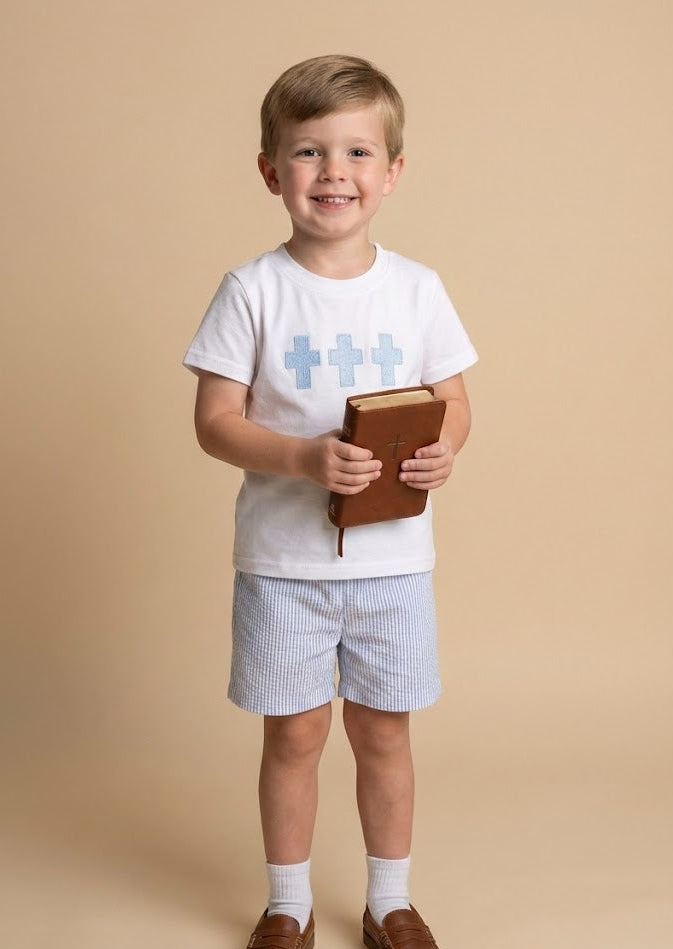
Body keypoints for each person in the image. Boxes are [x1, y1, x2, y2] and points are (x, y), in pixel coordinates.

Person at [183, 54, 478, 949]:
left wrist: (442, 451)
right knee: (296, 734)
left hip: (393, 563)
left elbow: (454, 403)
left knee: (384, 732)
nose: (333, 173)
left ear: (391, 172)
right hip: (284, 566)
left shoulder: (417, 289)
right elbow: (214, 422)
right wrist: (302, 458)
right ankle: (287, 903)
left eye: (356, 152)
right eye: (308, 152)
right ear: (272, 171)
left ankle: (389, 898)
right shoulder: (252, 290)